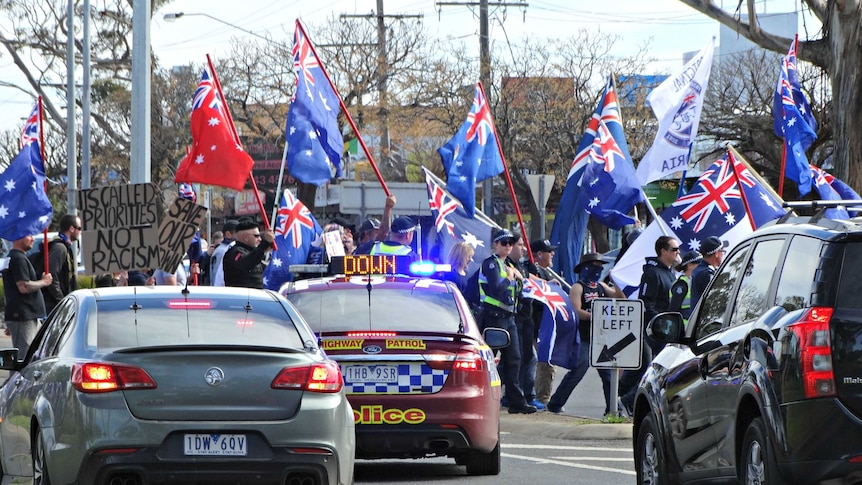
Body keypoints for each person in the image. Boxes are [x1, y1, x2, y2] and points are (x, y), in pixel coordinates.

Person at [547, 252, 623, 416]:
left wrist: (616, 280)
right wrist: (592, 315)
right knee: (578, 372)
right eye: (595, 266)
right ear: (586, 268)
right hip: (585, 337)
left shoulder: (602, 286)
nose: (598, 269)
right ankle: (555, 403)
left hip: (602, 338)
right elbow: (576, 310)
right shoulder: (578, 287)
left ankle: (612, 410)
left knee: (608, 375)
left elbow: (620, 297)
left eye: (600, 266)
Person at [619, 235, 681, 416]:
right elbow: (646, 303)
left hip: (667, 330)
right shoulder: (652, 273)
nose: (677, 253)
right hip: (654, 331)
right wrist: (660, 322)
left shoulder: (670, 272)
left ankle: (626, 400)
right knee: (651, 369)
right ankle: (625, 400)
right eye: (674, 249)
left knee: (647, 369)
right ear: (663, 251)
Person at [478, 228, 536, 414]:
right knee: (488, 361)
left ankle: (516, 402)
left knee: (514, 360)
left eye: (511, 243)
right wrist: (511, 277)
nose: (508, 246)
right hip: (493, 318)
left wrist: (520, 277)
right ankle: (480, 397)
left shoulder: (507, 265)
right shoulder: (491, 264)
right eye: (504, 243)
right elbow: (497, 289)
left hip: (509, 318)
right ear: (495, 244)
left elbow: (518, 291)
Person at [506, 234, 542, 410]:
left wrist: (548, 284)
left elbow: (531, 279)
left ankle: (523, 395)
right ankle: (519, 396)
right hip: (514, 319)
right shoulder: (506, 266)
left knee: (527, 357)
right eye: (520, 245)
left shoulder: (522, 265)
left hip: (527, 318)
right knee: (517, 359)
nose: (523, 249)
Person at [3, 234, 52, 359]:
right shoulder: (18, 259)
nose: (33, 239)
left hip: (22, 316)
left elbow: (9, 291)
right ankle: (18, 379)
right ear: (18, 237)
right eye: (29, 235)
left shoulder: (12, 257)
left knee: (31, 354)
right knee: (24, 358)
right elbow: (23, 287)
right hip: (24, 317)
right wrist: (44, 282)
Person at [529, 239, 564, 407]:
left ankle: (540, 396)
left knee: (545, 362)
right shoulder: (534, 271)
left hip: (547, 326)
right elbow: (534, 296)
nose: (553, 254)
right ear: (540, 254)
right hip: (537, 327)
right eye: (549, 251)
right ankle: (541, 398)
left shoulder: (548, 273)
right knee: (545, 362)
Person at [37, 214, 81, 313]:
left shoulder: (63, 246)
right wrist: (61, 301)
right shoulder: (60, 248)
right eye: (79, 228)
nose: (80, 232)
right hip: (53, 306)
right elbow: (52, 276)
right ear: (71, 229)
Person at [223, 218, 274, 289]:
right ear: (245, 237)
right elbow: (247, 263)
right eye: (256, 236)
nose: (260, 239)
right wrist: (264, 245)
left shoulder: (250, 252)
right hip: (241, 297)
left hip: (255, 296)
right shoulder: (235, 252)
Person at [690, 236, 728, 307]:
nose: (722, 255)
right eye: (722, 251)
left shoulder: (701, 270)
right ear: (716, 253)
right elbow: (717, 299)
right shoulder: (706, 273)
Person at [669, 250, 702, 322]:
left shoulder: (694, 282)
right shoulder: (682, 284)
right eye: (699, 264)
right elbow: (673, 310)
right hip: (684, 328)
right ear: (690, 265)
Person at [211, 220, 238, 286]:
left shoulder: (223, 249)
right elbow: (218, 275)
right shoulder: (224, 250)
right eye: (237, 233)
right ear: (228, 234)